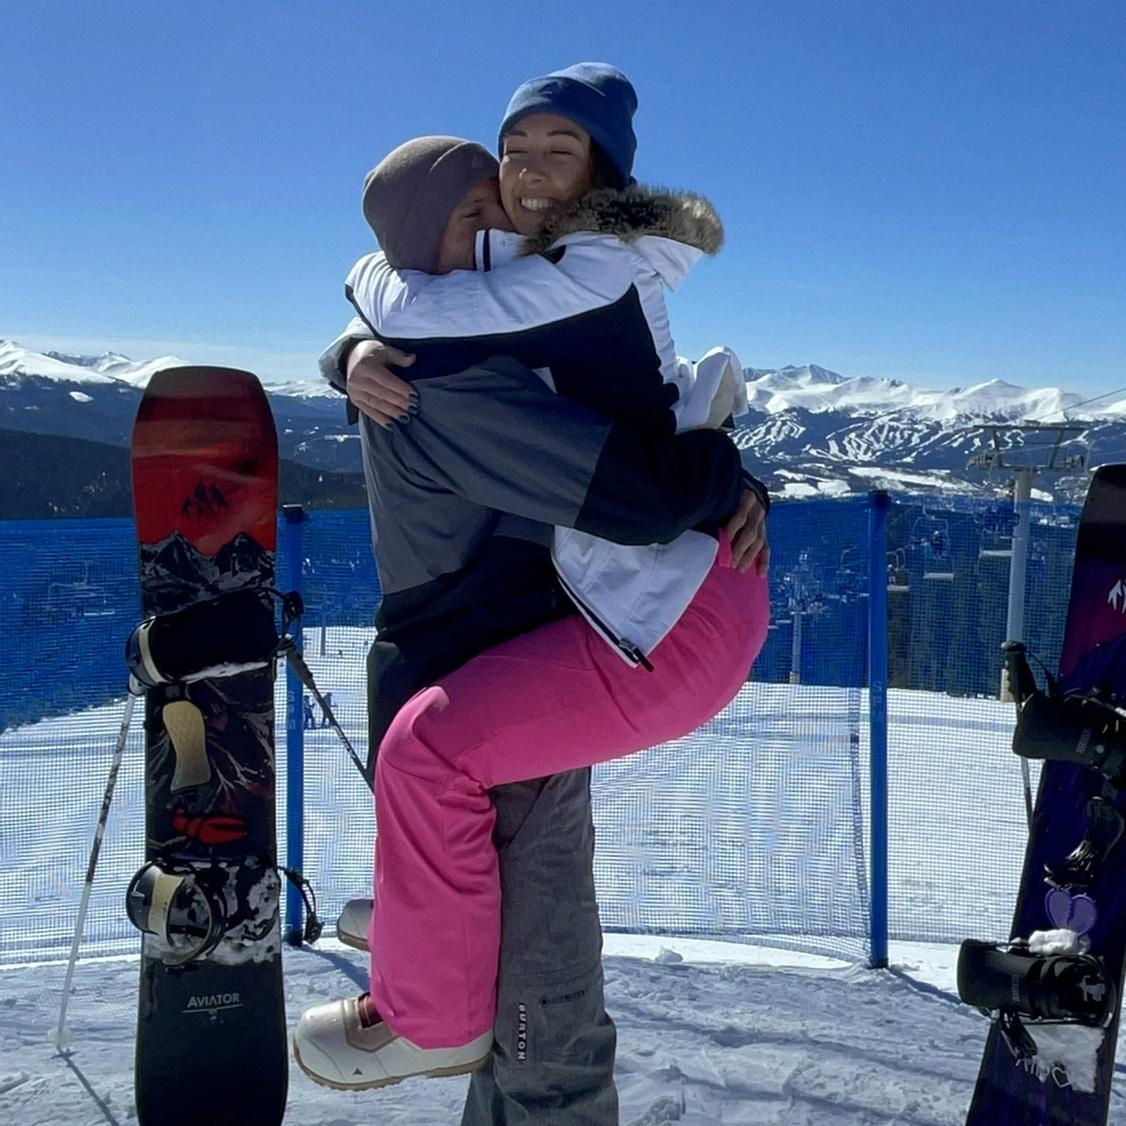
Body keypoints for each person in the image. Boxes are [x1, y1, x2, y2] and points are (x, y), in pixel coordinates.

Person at [294, 64, 769, 1101]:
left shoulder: (505, 324)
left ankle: (439, 1007)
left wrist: (728, 472)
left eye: (555, 157)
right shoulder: (458, 330)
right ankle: (432, 934)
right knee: (430, 744)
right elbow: (389, 283)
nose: (513, 202)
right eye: (495, 183)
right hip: (597, 606)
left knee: (504, 855)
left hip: (649, 607)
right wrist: (352, 348)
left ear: (601, 172)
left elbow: (639, 486)